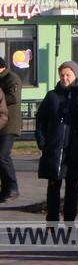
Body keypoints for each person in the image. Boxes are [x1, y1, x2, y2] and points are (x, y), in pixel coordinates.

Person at [35, 61, 78, 222]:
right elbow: (40, 120)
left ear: (75, 75)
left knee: (72, 186)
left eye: (68, 75)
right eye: (62, 75)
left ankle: (70, 220)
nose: (65, 78)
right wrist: (42, 141)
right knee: (53, 185)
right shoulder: (52, 96)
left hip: (75, 148)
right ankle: (52, 219)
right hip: (54, 147)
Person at [0, 55, 23, 202]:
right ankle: (6, 189)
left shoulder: (12, 78)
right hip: (1, 122)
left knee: (2, 155)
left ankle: (12, 187)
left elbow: (13, 97)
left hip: (10, 124)